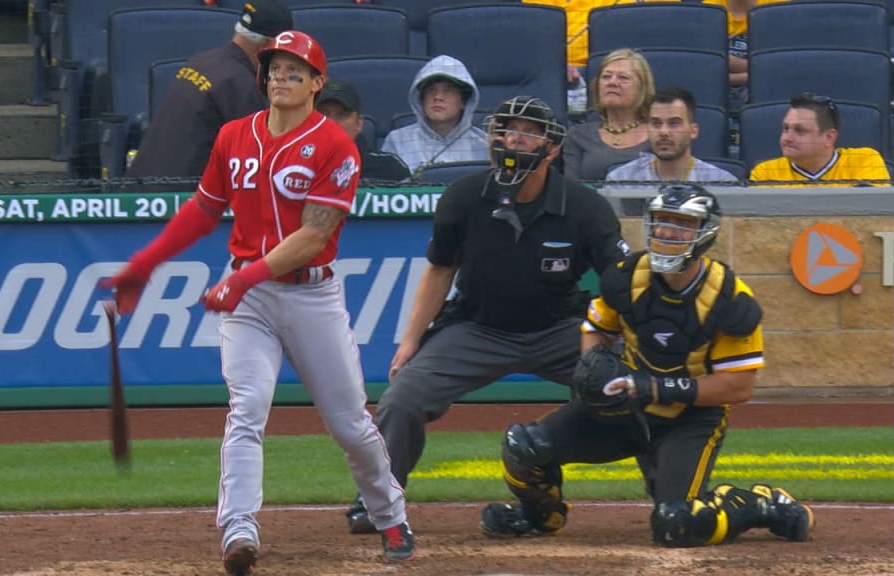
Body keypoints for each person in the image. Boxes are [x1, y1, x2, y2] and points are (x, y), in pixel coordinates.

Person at [102, 30, 415, 575]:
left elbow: (314, 237)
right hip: (250, 297)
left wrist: (243, 280)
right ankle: (239, 530)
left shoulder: (337, 146)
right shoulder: (233, 136)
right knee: (246, 410)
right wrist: (143, 266)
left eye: (295, 71)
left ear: (317, 83)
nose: (281, 78)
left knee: (349, 423)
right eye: (274, 69)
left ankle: (389, 512)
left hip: (310, 294)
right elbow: (202, 211)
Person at [345, 95, 630, 534]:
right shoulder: (463, 196)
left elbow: (619, 280)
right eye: (503, 130)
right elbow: (440, 270)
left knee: (635, 387)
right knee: (401, 399)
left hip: (559, 328)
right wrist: (410, 341)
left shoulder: (583, 204)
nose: (511, 139)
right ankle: (377, 501)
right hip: (477, 328)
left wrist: (623, 341)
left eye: (525, 132)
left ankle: (668, 492)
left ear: (550, 148)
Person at [479, 183, 815, 548]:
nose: (668, 232)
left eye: (682, 224)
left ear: (706, 232)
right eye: (662, 222)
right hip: (627, 406)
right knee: (525, 446)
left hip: (690, 419)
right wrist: (594, 368)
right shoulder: (626, 276)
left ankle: (758, 505)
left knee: (677, 523)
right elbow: (596, 329)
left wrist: (653, 387)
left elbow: (739, 386)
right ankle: (539, 515)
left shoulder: (730, 299)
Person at [125, 0, 292, 188]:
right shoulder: (241, 85)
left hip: (140, 189)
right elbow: (259, 162)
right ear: (265, 47)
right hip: (179, 200)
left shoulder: (200, 62)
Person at [749, 92, 891, 186]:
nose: (787, 138)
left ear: (829, 137)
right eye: (786, 128)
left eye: (800, 130)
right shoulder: (765, 173)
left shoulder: (863, 161)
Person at [380, 54, 489, 176]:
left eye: (448, 90)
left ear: (464, 101)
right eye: (431, 90)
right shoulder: (397, 141)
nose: (437, 97)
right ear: (420, 99)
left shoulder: (485, 145)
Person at [605, 88, 738, 183]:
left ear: (693, 131)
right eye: (656, 124)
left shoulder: (722, 182)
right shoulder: (621, 180)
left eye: (674, 123)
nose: (664, 132)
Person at [563, 48, 654, 182]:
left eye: (623, 78)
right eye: (606, 76)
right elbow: (571, 190)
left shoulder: (659, 134)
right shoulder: (578, 135)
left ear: (642, 88)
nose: (612, 83)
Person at [316, 79, 412, 183]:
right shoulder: (297, 166)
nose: (332, 122)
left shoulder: (390, 168)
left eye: (341, 115)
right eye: (323, 114)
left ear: (359, 124)